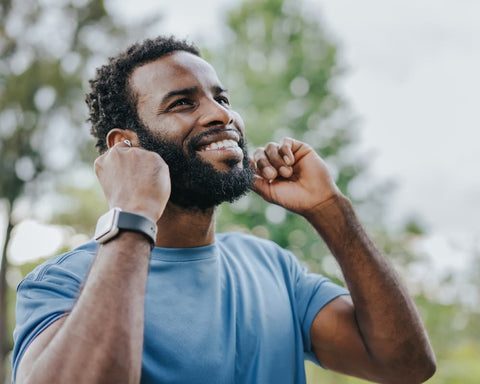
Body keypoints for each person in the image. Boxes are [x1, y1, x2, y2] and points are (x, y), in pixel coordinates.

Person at [12, 36, 435, 384]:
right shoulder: (61, 283)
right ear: (126, 145)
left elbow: (406, 366)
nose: (221, 115)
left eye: (222, 97)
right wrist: (133, 212)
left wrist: (330, 209)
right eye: (183, 103)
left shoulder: (273, 267)